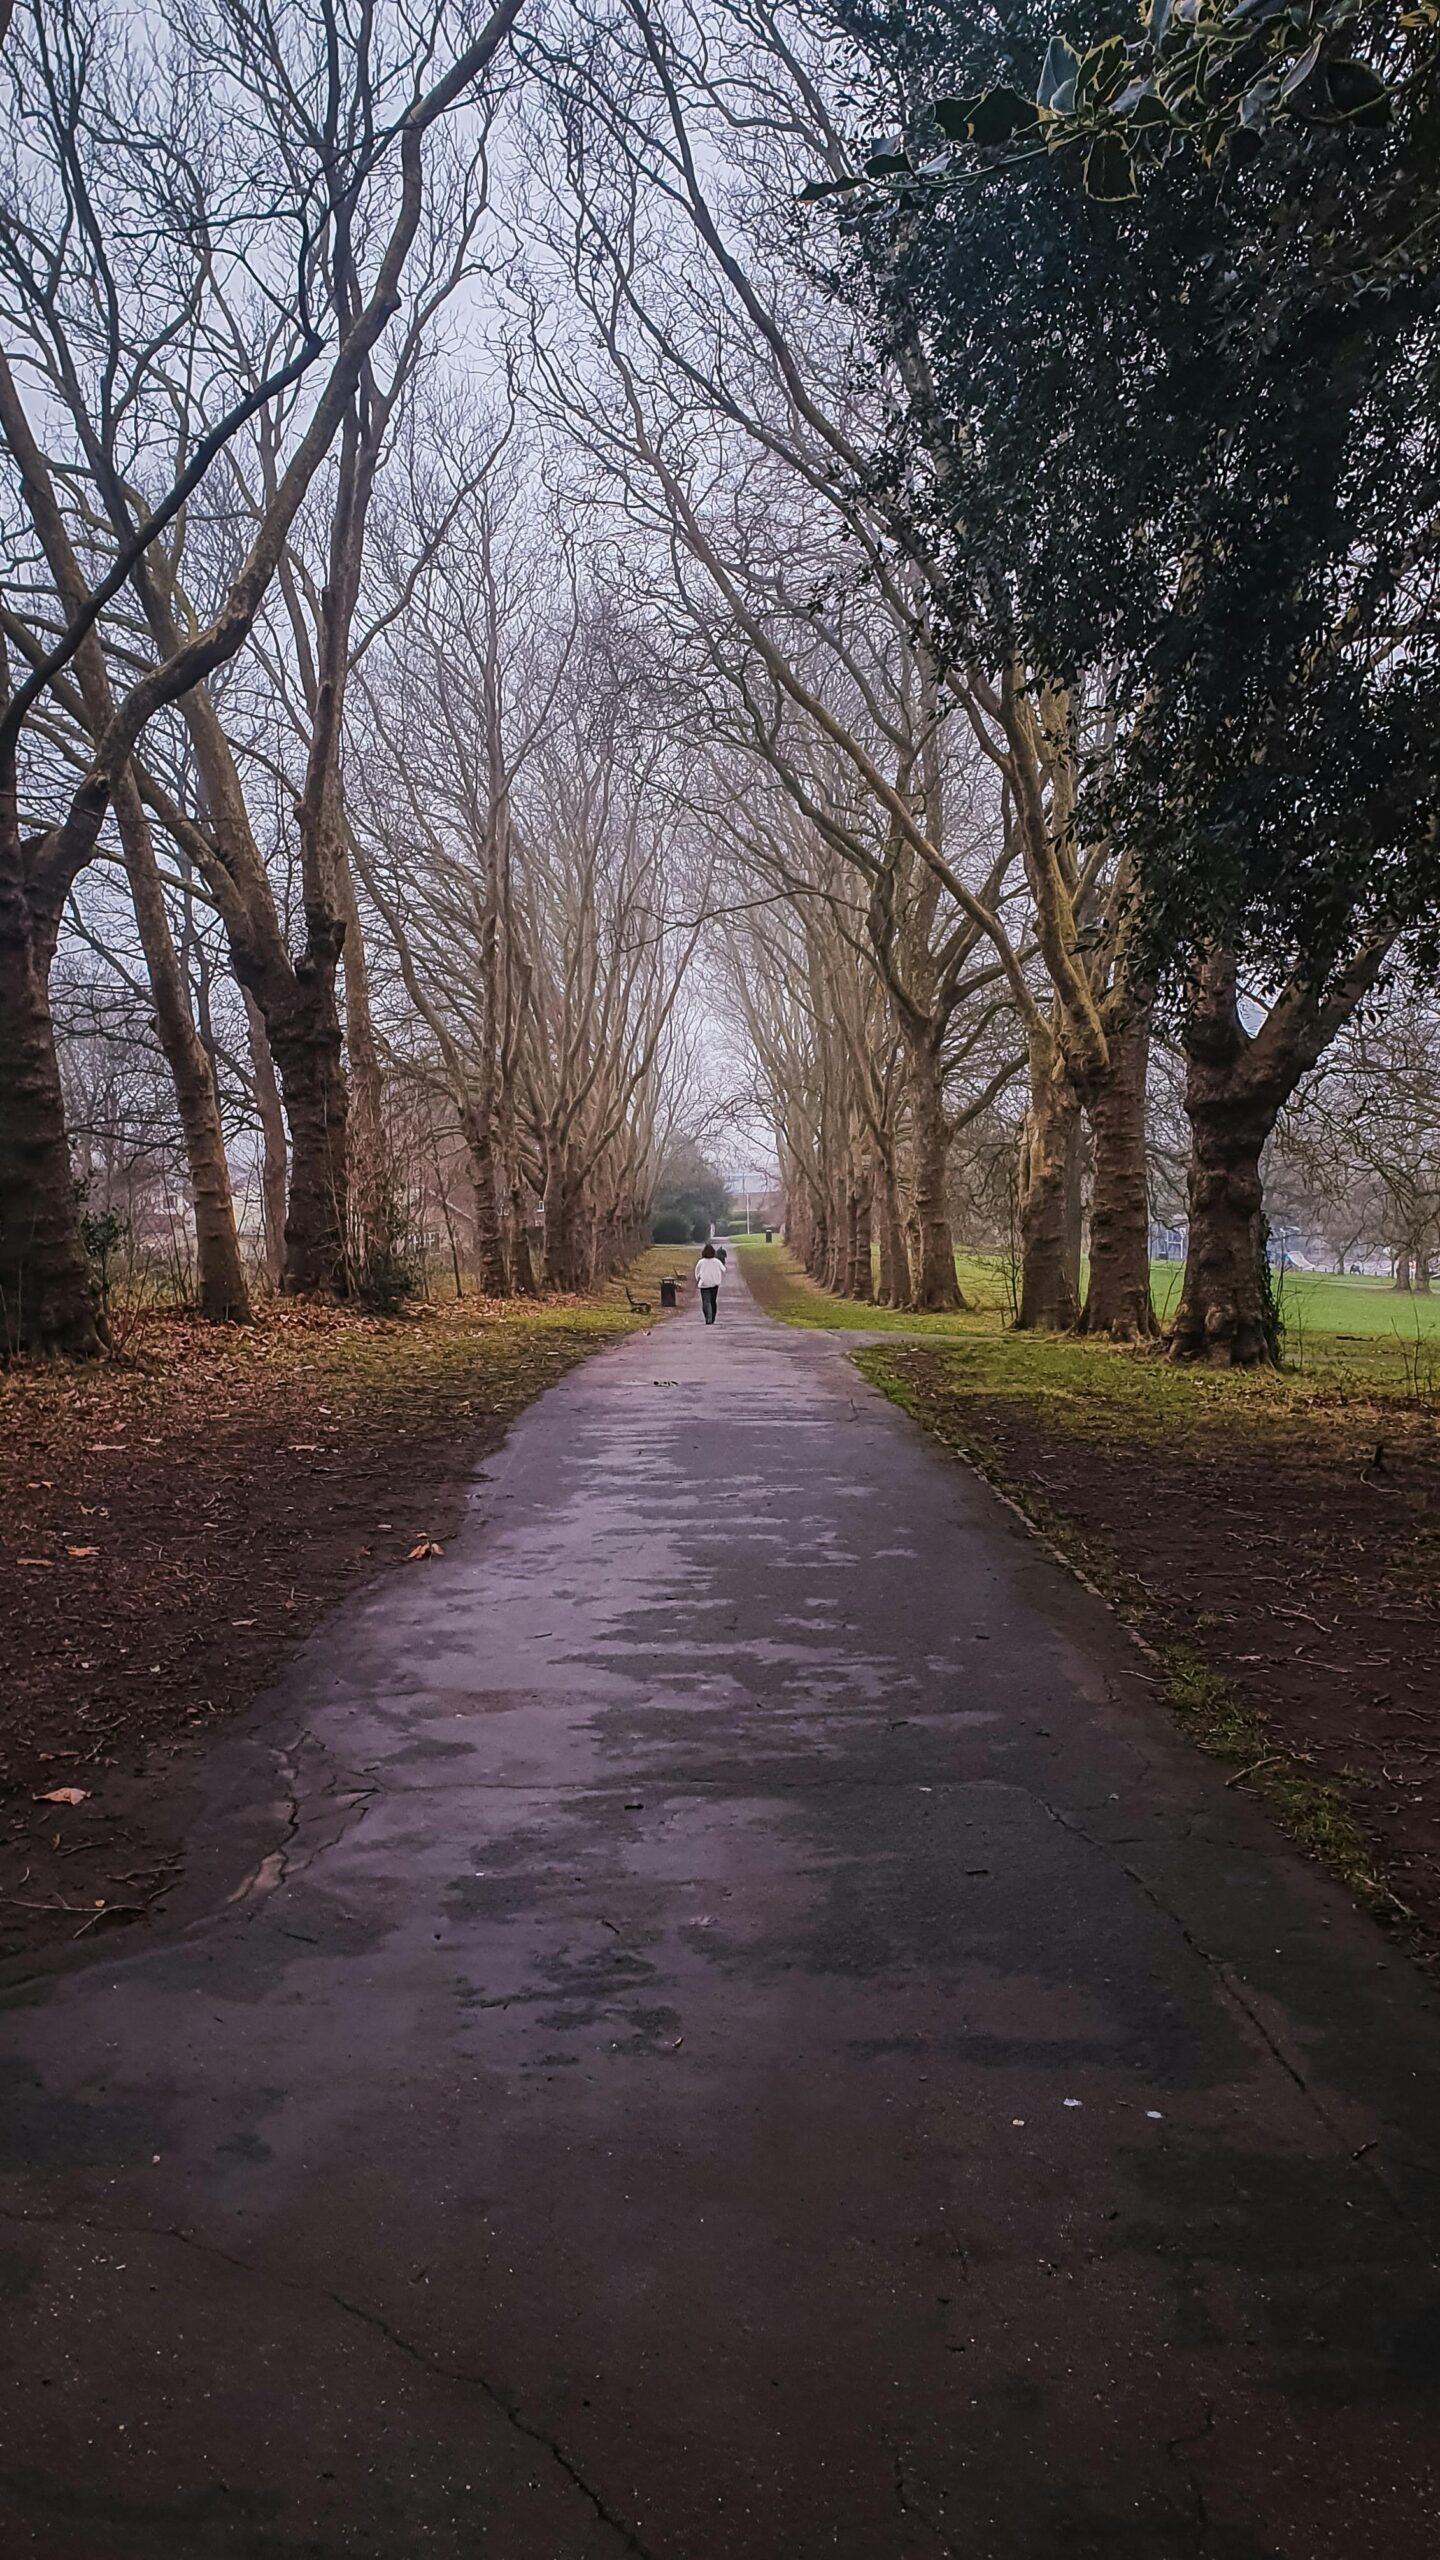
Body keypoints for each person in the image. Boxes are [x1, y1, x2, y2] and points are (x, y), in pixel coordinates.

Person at [695, 1240, 724, 1326]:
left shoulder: (701, 1262)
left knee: (705, 1301)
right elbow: (724, 1269)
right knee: (713, 1301)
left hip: (704, 1284)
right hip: (714, 1283)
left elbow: (696, 1272)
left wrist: (698, 1278)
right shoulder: (717, 1261)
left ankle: (708, 1317)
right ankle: (712, 1317)